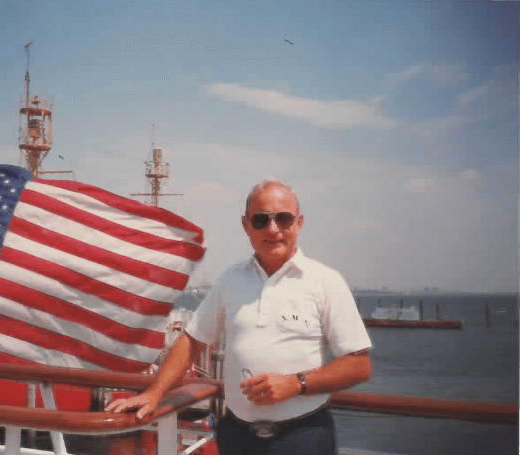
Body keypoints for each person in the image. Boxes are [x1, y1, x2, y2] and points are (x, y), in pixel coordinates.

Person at [107, 180, 373, 455]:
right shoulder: (229, 280)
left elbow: (359, 365)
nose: (273, 229)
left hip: (302, 437)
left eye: (283, 218)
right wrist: (153, 395)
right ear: (247, 226)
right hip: (238, 438)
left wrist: (296, 384)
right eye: (261, 220)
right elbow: (192, 340)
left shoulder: (326, 282)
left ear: (299, 223)